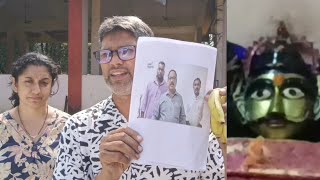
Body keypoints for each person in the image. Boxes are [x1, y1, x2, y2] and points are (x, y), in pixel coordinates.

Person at [53, 16, 225, 180]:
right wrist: (108, 175)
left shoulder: (197, 130)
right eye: (106, 54)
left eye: (126, 51)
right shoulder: (79, 128)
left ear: (150, 55)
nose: (114, 62)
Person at [0, 52, 70, 179]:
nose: (36, 90)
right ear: (15, 84)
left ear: (51, 85)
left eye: (44, 83)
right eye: (28, 81)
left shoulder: (68, 126)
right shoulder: (1, 126)